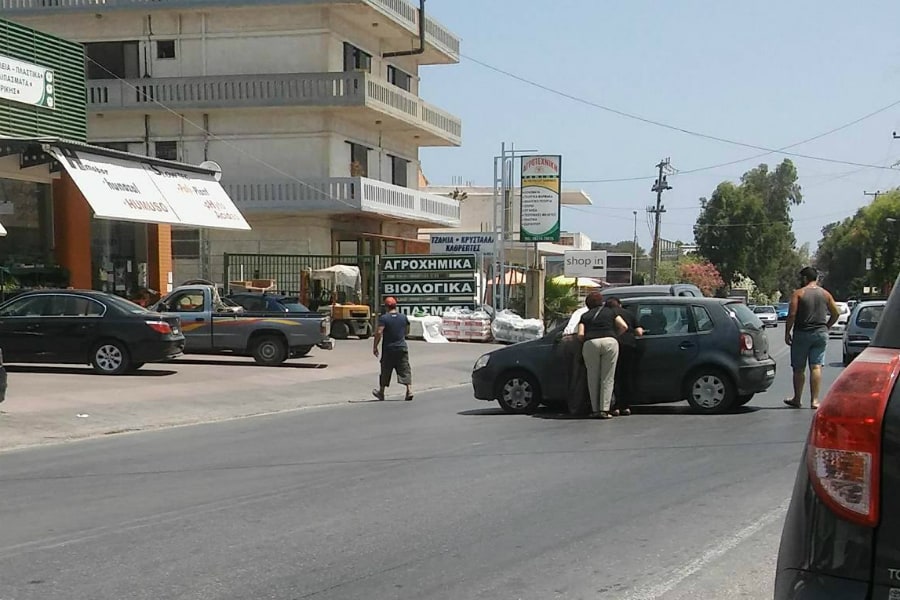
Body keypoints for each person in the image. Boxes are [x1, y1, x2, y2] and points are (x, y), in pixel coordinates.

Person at [784, 266, 840, 409]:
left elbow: (792, 314)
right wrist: (827, 326)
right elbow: (836, 313)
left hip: (802, 333)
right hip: (820, 334)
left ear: (804, 278)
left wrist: (787, 332)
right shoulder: (826, 294)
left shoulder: (799, 293)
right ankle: (815, 400)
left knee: (799, 368)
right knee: (816, 366)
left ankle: (797, 399)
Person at [578, 292, 628, 419]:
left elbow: (580, 334)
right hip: (610, 341)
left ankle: (595, 409)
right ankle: (604, 409)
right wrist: (614, 336)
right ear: (601, 302)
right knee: (608, 377)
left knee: (592, 377)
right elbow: (623, 326)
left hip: (591, 343)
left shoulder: (585, 316)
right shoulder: (610, 312)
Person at [605, 297, 643, 416]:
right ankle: (625, 406)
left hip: (613, 346)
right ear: (620, 305)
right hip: (629, 346)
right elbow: (639, 332)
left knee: (613, 376)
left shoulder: (608, 314)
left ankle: (614, 406)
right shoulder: (630, 314)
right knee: (626, 376)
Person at [372, 297, 413, 402]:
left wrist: (375, 346)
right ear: (395, 306)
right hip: (402, 347)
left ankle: (381, 392)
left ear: (386, 307)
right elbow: (407, 330)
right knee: (404, 368)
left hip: (389, 349)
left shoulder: (384, 318)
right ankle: (409, 390)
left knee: (385, 369)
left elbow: (379, 332)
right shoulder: (403, 317)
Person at [560, 300, 591, 416]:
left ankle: (573, 405)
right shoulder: (589, 313)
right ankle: (577, 407)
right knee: (579, 375)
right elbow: (581, 334)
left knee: (572, 375)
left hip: (566, 340)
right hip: (576, 340)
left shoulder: (580, 311)